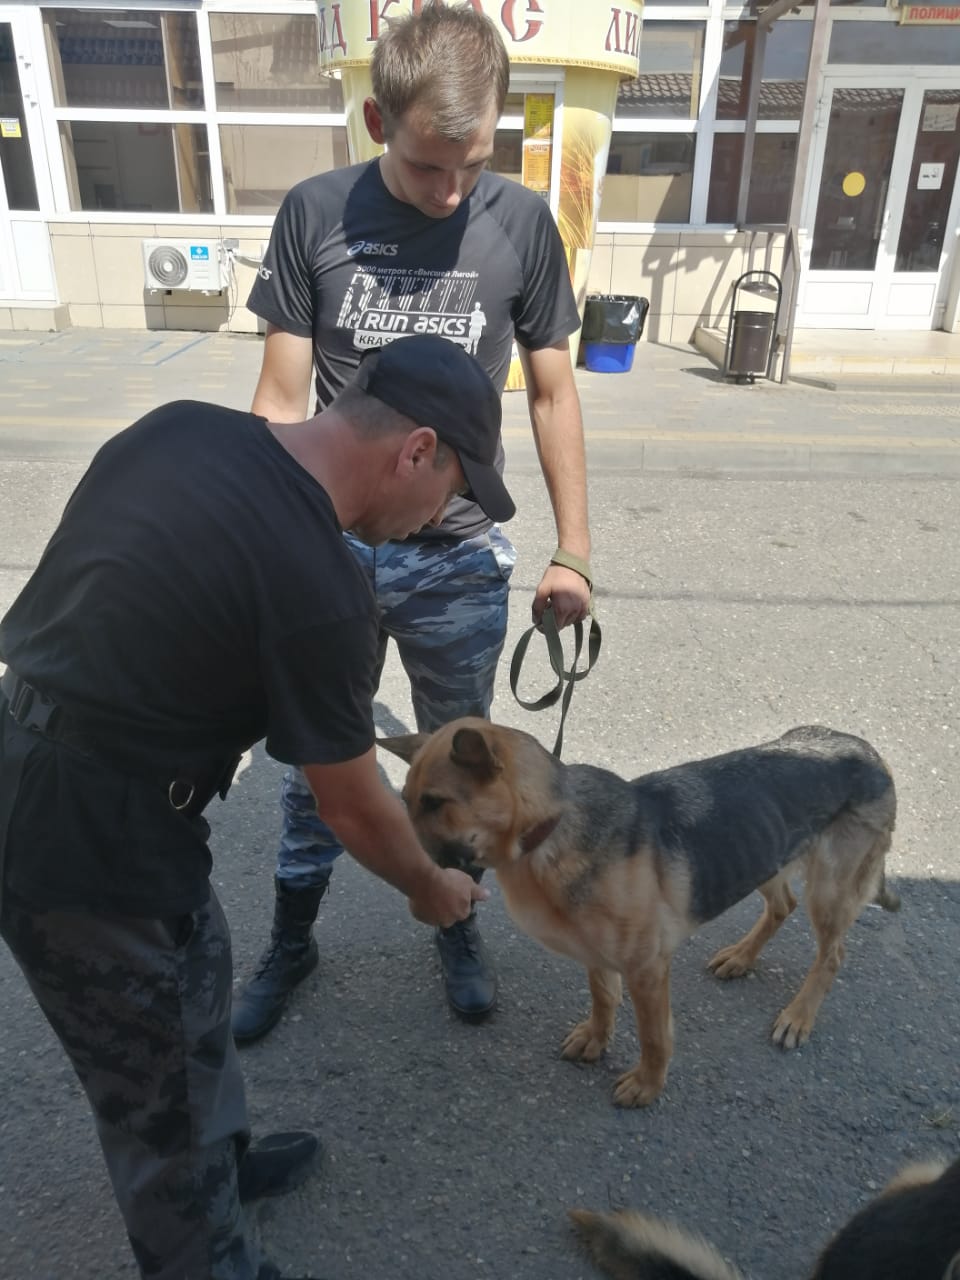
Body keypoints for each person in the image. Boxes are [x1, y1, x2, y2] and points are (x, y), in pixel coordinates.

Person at [0, 335, 511, 1280]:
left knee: (194, 972)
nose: (436, 518)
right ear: (416, 450)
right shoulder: (322, 585)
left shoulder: (180, 430)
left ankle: (222, 1164)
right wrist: (432, 888)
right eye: (452, 491)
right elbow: (353, 805)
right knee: (157, 1105)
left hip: (45, 760)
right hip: (89, 839)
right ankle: (208, 1244)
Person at [236, 0, 593, 1040]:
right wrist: (269, 547)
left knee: (460, 760)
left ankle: (456, 923)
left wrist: (573, 549)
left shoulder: (521, 223)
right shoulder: (314, 213)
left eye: (471, 164)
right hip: (333, 544)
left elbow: (553, 393)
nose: (450, 191)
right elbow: (278, 395)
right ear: (376, 121)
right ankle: (292, 936)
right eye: (428, 165)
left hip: (457, 556)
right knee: (319, 759)